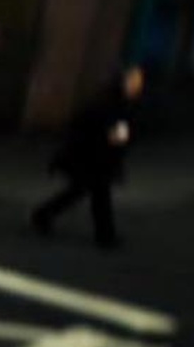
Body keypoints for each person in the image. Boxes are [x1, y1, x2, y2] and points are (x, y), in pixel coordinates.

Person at [30, 66, 145, 249]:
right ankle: (105, 236)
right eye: (133, 82)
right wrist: (117, 138)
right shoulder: (108, 104)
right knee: (98, 194)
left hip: (96, 157)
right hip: (90, 156)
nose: (136, 87)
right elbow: (104, 132)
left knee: (81, 191)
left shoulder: (120, 104)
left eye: (138, 83)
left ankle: (43, 215)